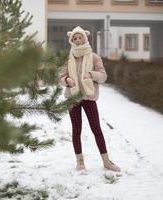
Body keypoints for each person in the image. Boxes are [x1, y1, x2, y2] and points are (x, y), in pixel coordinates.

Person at [59, 26, 121, 172]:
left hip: (89, 97)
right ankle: (80, 162)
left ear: (84, 38)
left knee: (96, 129)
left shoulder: (94, 57)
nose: (77, 40)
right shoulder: (69, 58)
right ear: (71, 40)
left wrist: (91, 75)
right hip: (73, 97)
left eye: (80, 37)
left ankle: (106, 162)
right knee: (76, 130)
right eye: (74, 38)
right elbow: (60, 77)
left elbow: (103, 76)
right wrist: (67, 79)